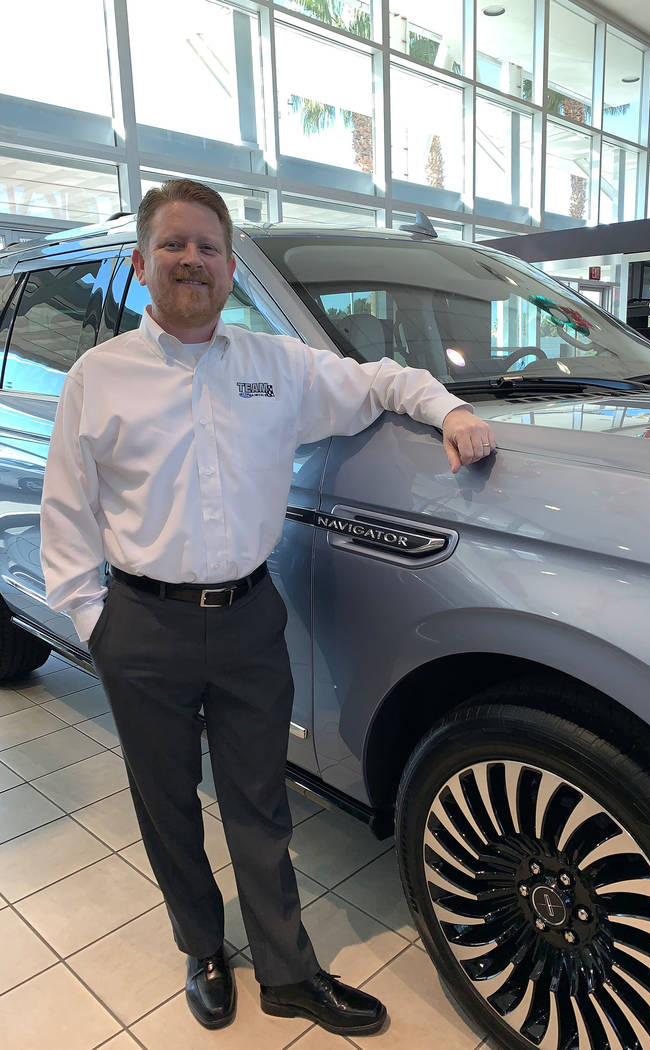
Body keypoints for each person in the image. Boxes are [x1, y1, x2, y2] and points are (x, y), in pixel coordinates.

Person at [40, 179, 495, 1037]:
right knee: (166, 801)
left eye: (209, 247)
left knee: (260, 801)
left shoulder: (275, 367)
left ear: (228, 265)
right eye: (174, 245)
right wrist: (95, 622)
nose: (192, 260)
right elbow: (65, 514)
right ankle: (203, 950)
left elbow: (379, 381)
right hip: (142, 623)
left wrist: (451, 406)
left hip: (250, 619)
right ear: (142, 265)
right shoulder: (97, 379)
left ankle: (287, 971)